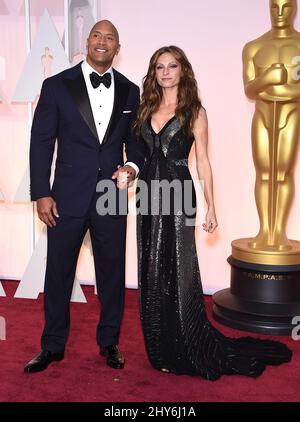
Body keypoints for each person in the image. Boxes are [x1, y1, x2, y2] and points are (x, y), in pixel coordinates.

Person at [135, 46, 292, 381]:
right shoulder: (146, 107)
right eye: (159, 67)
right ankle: (160, 347)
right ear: (154, 73)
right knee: (150, 268)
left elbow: (203, 161)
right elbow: (140, 152)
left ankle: (185, 345)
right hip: (147, 194)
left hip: (178, 193)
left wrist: (211, 206)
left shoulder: (194, 111)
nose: (165, 72)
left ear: (183, 70)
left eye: (172, 65)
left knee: (179, 269)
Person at [24, 20, 144, 373]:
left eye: (110, 38)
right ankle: (52, 346)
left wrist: (133, 167)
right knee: (58, 273)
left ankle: (109, 342)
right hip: (65, 197)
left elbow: (133, 142)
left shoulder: (130, 90)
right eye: (97, 35)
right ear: (87, 42)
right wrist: (41, 193)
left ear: (117, 49)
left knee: (111, 274)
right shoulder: (57, 86)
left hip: (111, 196)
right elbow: (41, 142)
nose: (102, 42)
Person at [243, 0, 300, 251]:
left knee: (283, 172)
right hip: (263, 115)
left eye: (286, 7)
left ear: (295, 9)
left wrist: (283, 88)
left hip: (290, 114)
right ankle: (265, 230)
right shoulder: (254, 47)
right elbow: (250, 89)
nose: (279, 13)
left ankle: (279, 233)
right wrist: (268, 78)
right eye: (274, 7)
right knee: (264, 172)